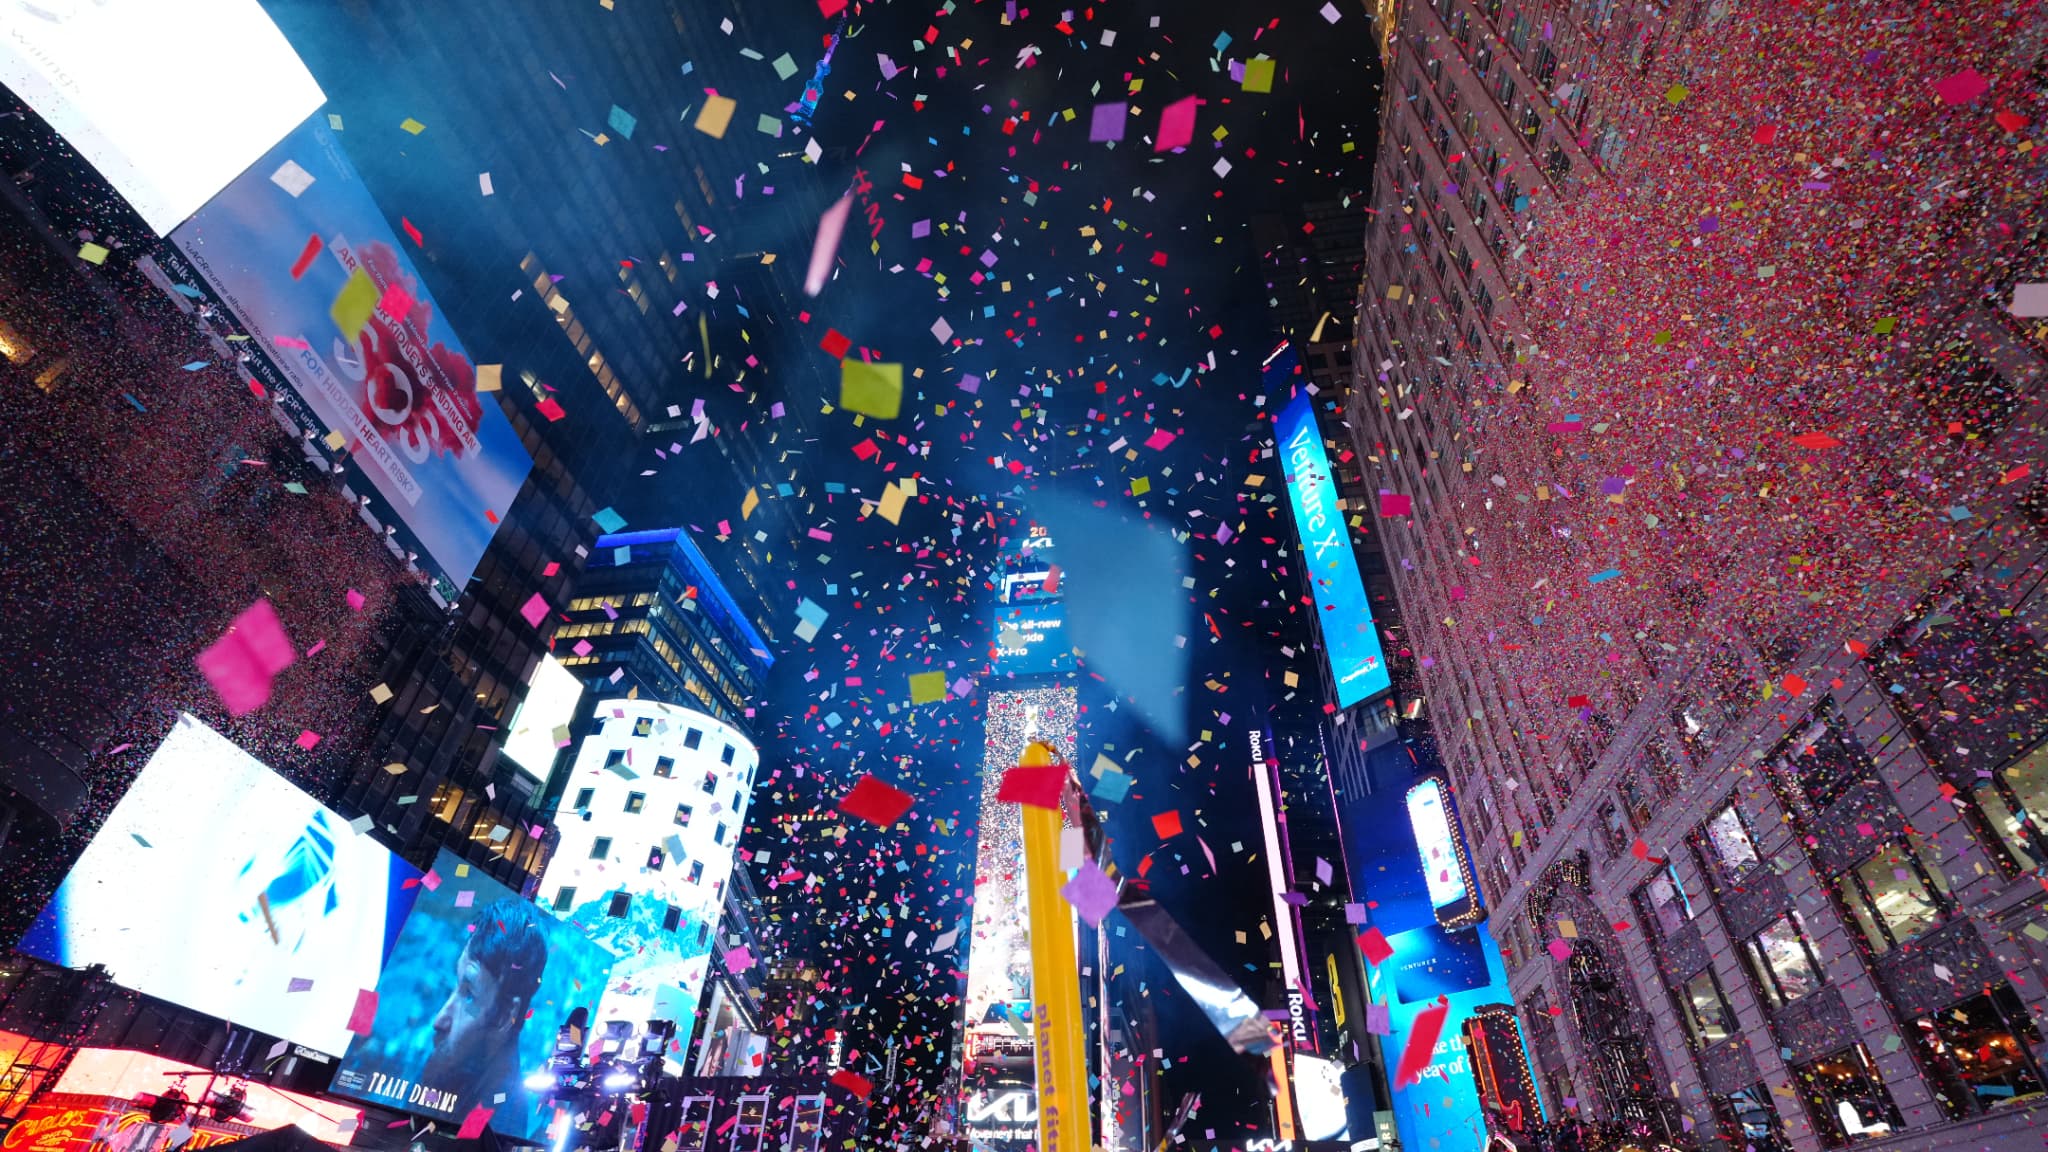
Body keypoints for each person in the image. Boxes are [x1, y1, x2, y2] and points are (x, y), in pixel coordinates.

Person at [419, 897, 549, 1124]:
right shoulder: (455, 1076)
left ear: (504, 1016)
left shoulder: (497, 1122)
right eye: (454, 987)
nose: (439, 1020)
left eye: (469, 995)